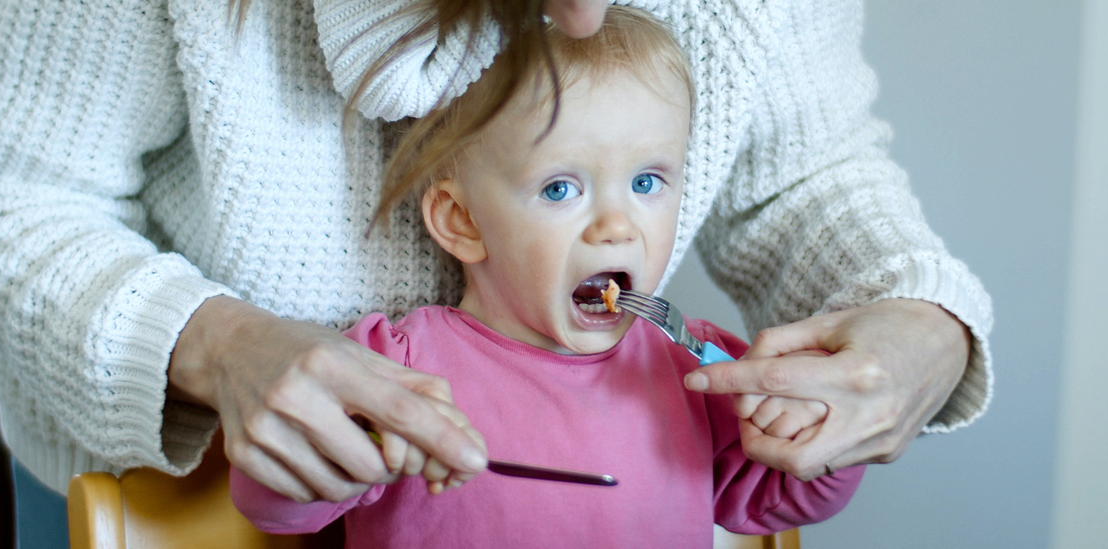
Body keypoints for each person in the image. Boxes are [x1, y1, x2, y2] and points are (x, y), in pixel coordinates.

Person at [0, 0, 991, 545]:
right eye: (566, 188)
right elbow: (8, 200)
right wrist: (218, 347)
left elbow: (808, 175)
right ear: (452, 215)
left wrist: (920, 331)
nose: (585, 17)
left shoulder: (682, 371)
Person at [228, 9, 862, 546]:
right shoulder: (395, 368)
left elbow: (780, 497)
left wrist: (822, 431)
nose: (617, 225)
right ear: (462, 221)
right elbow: (279, 505)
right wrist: (312, 460)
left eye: (646, 182)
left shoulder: (699, 368)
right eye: (561, 187)